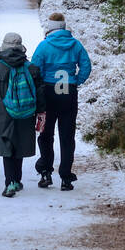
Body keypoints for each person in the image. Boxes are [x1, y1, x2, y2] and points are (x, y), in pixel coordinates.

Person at [31, 12, 91, 191]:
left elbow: (35, 68)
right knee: (67, 136)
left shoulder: (44, 46)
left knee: (46, 134)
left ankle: (45, 172)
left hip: (49, 93)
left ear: (50, 27)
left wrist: (40, 85)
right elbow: (86, 65)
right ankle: (66, 177)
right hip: (68, 92)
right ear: (64, 27)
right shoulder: (75, 45)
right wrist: (76, 80)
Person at [0, 32, 45, 198]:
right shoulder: (31, 68)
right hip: (26, 112)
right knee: (20, 145)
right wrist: (40, 111)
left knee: (7, 146)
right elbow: (40, 91)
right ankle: (17, 180)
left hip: (4, 113)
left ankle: (10, 182)